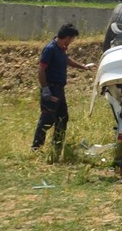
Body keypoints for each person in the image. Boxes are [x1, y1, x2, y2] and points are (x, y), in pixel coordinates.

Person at [32, 23, 94, 155]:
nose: (72, 41)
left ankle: (57, 145)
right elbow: (41, 70)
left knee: (62, 118)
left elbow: (66, 60)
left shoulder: (61, 48)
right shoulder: (50, 49)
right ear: (67, 37)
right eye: (72, 39)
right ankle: (36, 148)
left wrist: (83, 66)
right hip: (51, 89)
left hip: (59, 90)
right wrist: (45, 90)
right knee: (47, 120)